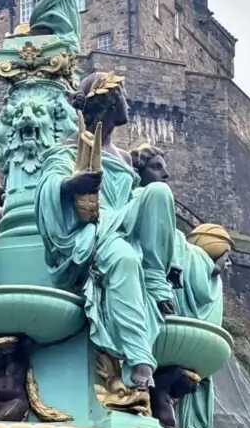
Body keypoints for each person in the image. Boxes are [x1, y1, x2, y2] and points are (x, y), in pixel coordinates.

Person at [35, 73, 177, 392]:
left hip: (121, 222)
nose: (128, 102)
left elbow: (145, 211)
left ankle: (155, 278)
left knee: (158, 193)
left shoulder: (125, 157)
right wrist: (72, 184)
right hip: (93, 231)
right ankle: (139, 357)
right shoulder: (72, 148)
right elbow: (45, 190)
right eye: (123, 96)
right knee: (124, 258)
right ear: (110, 104)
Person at [170, 223, 236, 428]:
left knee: (197, 380)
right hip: (192, 339)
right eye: (227, 256)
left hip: (179, 336)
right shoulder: (196, 261)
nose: (227, 265)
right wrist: (214, 266)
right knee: (200, 380)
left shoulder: (202, 271)